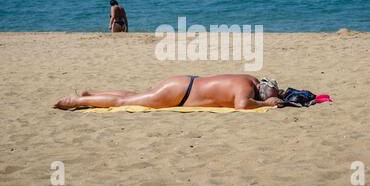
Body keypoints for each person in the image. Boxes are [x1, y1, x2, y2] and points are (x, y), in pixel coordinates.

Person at [54, 74, 285, 110]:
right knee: (123, 103)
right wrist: (267, 104)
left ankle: (90, 93)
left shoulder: (250, 79)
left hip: (183, 83)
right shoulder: (245, 89)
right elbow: (242, 106)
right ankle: (75, 100)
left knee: (133, 95)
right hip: (180, 93)